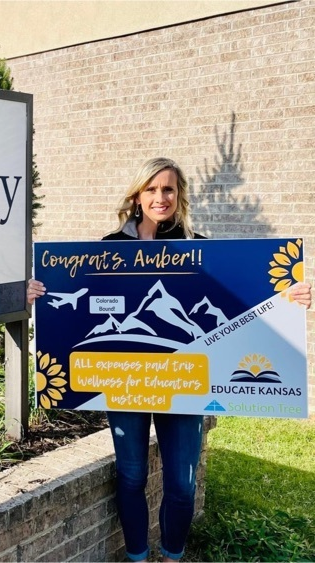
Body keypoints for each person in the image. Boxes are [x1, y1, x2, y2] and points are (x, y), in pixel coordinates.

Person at [26, 157, 311, 562]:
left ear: (179, 196)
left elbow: (240, 297)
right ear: (137, 196)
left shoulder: (199, 248)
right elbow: (81, 301)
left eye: (169, 190)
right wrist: (41, 294)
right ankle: (138, 556)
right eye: (152, 189)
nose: (161, 198)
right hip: (125, 382)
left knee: (182, 483)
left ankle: (171, 554)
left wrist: (290, 298)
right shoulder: (110, 248)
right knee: (132, 476)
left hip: (183, 381)